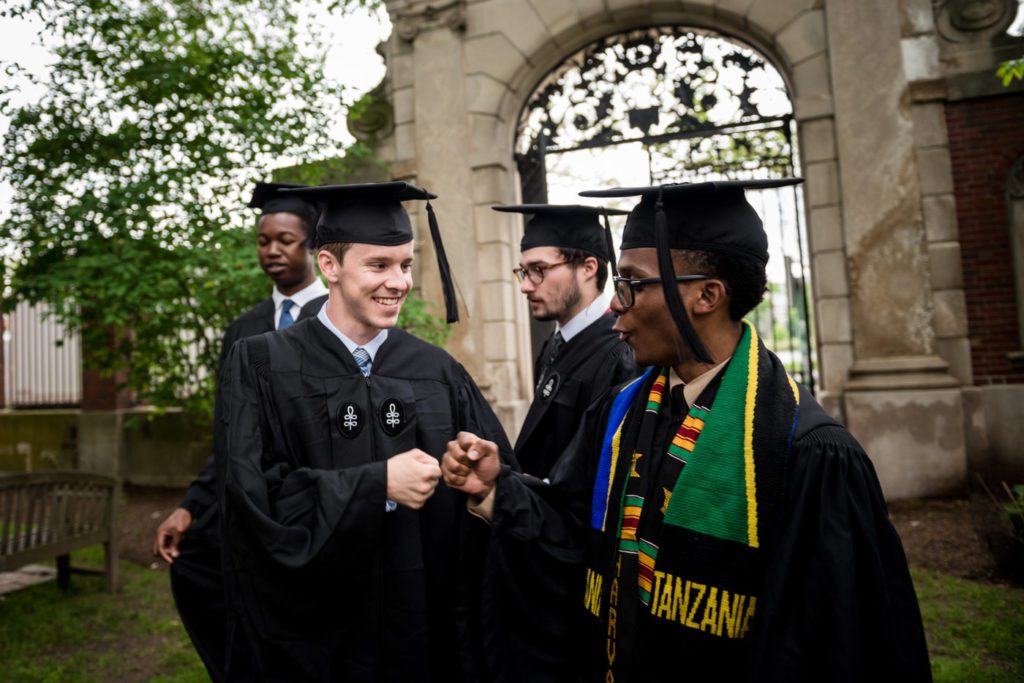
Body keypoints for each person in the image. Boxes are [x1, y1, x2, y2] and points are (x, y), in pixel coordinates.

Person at [444, 179, 932, 681]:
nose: (615, 304)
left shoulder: (805, 449)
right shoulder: (617, 414)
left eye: (632, 283)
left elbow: (839, 641)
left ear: (707, 295)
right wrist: (497, 490)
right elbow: (573, 537)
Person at [215, 181, 514, 681]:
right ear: (329, 266)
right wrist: (375, 485)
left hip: (422, 633)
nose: (398, 282)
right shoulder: (263, 364)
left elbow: (504, 507)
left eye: (405, 264)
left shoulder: (436, 370)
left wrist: (483, 482)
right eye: (378, 265)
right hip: (319, 638)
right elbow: (250, 503)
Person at [152, 181, 327, 682]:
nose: (271, 250)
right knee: (203, 574)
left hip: (312, 502)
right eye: (263, 240)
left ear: (313, 245)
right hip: (251, 504)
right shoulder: (244, 328)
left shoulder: (337, 318)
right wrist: (191, 506)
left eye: (285, 240)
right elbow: (229, 436)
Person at [494, 204, 636, 478]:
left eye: (539, 269)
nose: (525, 285)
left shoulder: (620, 353)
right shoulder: (551, 347)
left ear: (587, 268)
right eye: (523, 271)